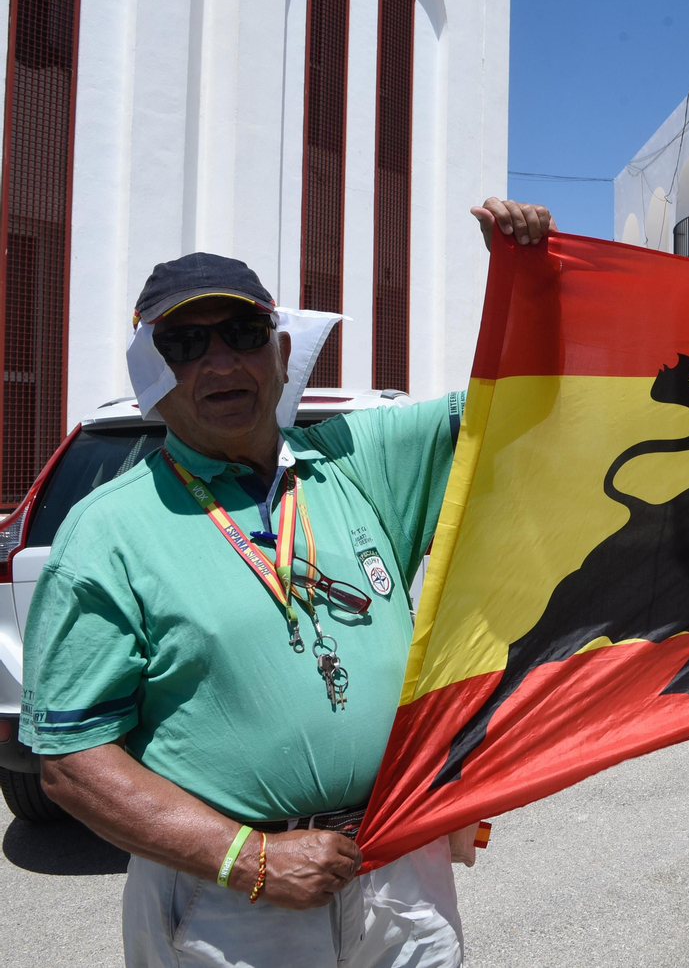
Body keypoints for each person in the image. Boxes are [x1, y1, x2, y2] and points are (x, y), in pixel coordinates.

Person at [20, 198, 553, 968]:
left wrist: (527, 283)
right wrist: (249, 860)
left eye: (240, 335)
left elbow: (516, 407)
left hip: (396, 863)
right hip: (227, 899)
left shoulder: (353, 459)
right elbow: (72, 764)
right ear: (153, 366)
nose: (220, 362)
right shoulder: (107, 533)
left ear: (278, 351)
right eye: (185, 342)